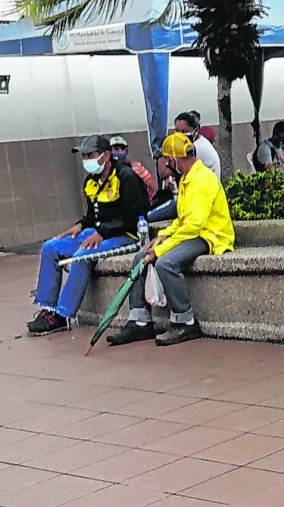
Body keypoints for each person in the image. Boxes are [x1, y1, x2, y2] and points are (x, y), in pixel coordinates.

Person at [106, 132, 235, 347]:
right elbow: (183, 219)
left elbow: (194, 226)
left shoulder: (201, 180)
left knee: (166, 263)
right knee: (140, 257)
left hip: (210, 236)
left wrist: (161, 248)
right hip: (193, 231)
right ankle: (139, 322)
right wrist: (163, 235)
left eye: (164, 160)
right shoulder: (187, 178)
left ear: (172, 160)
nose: (163, 165)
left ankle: (186, 321)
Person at [27, 135, 149, 335]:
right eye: (84, 156)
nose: (86, 161)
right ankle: (47, 308)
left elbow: (134, 216)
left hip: (126, 234)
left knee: (82, 256)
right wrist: (80, 225)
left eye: (90, 155)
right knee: (50, 247)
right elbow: (93, 215)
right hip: (99, 231)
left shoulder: (126, 177)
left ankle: (63, 314)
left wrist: (103, 233)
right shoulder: (91, 181)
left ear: (106, 155)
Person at [148, 111, 221, 222]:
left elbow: (164, 172)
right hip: (190, 198)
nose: (179, 135)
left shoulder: (194, 148)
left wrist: (165, 152)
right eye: (177, 131)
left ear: (195, 131)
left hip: (200, 201)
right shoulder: (193, 144)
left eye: (184, 132)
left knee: (149, 217)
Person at [108, 135, 156, 202]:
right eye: (116, 149)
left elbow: (153, 186)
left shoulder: (136, 167)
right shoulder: (105, 170)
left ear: (126, 151)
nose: (119, 152)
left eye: (122, 148)